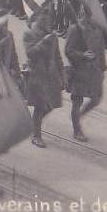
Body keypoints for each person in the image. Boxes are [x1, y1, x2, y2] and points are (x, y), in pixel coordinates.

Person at [23, 9, 65, 148]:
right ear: (38, 19)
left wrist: (62, 76)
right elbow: (30, 54)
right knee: (40, 106)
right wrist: (42, 43)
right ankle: (36, 136)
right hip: (37, 75)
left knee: (50, 105)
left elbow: (58, 57)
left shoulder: (52, 35)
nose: (48, 22)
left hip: (51, 75)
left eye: (49, 19)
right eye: (45, 19)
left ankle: (33, 125)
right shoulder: (29, 34)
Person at [65, 7, 107, 142]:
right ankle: (77, 129)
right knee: (77, 101)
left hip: (94, 71)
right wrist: (82, 55)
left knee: (96, 98)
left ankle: (78, 116)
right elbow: (68, 51)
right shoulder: (75, 29)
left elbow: (100, 50)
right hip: (79, 70)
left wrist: (103, 67)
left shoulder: (97, 30)